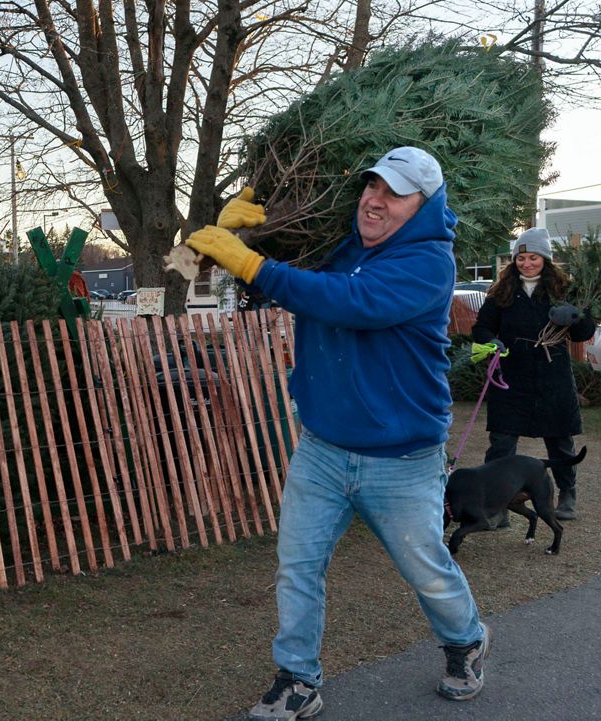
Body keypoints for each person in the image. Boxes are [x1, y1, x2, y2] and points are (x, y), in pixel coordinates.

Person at [186, 147, 490, 720]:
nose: (375, 201)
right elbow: (288, 285)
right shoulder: (345, 246)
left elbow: (350, 303)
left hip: (401, 457)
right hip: (323, 447)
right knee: (297, 565)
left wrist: (252, 264)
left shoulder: (429, 263)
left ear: (422, 208)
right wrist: (247, 242)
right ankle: (297, 680)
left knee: (425, 566)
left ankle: (465, 640)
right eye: (371, 187)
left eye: (394, 193)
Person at [471, 228, 596, 520]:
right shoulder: (501, 292)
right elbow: (481, 327)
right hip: (512, 374)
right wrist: (492, 341)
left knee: (560, 440)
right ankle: (495, 503)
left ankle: (567, 493)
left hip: (552, 373)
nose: (526, 263)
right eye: (521, 258)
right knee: (501, 443)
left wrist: (575, 318)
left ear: (546, 259)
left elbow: (584, 332)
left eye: (533, 257)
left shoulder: (562, 290)